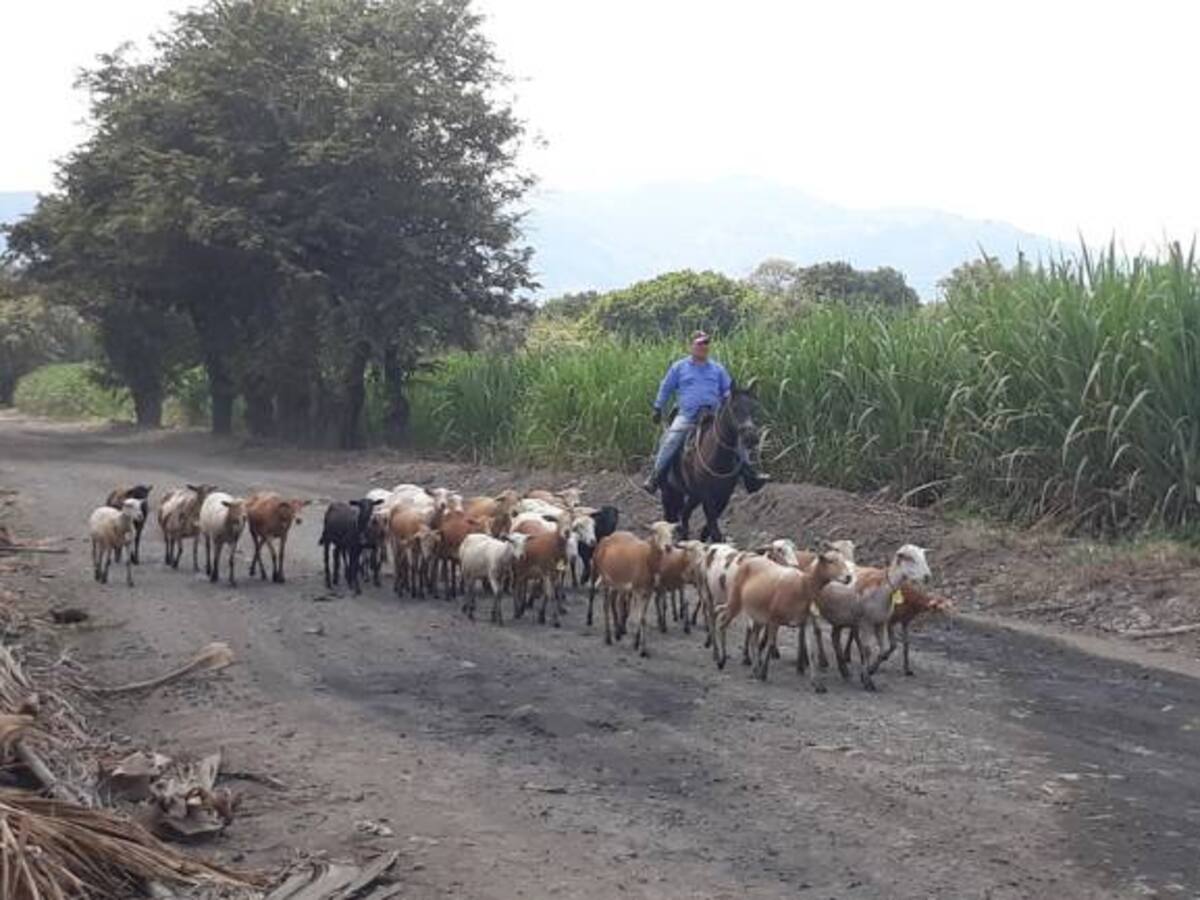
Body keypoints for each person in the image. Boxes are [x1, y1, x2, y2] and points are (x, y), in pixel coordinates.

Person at [641, 330, 770, 495]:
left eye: (706, 343)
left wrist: (732, 400)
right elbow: (666, 388)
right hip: (687, 415)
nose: (704, 347)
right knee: (671, 439)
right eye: (700, 343)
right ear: (691, 346)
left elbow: (727, 391)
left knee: (736, 439)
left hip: (713, 415)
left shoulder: (717, 369)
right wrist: (658, 407)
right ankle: (655, 477)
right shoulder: (679, 367)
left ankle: (750, 476)